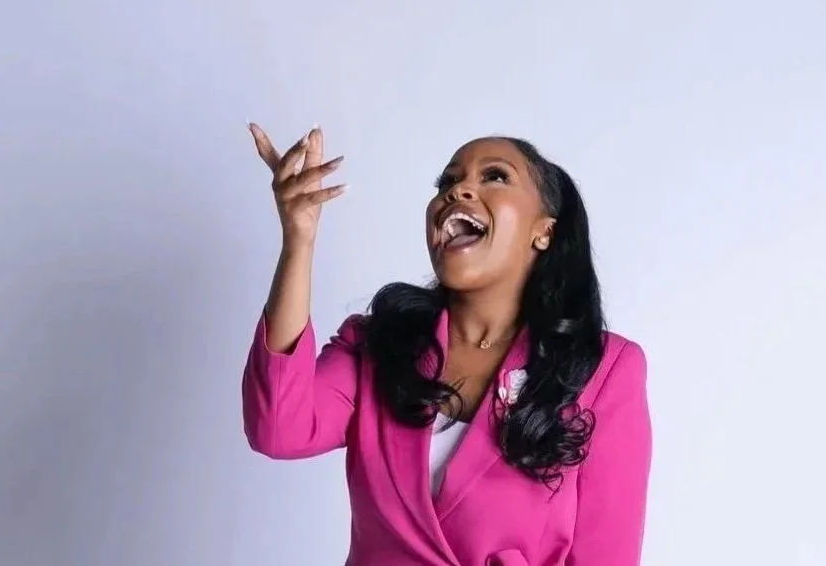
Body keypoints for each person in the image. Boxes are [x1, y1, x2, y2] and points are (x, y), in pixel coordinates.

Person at [242, 124, 651, 566]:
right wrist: (298, 241)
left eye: (494, 176)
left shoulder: (604, 369)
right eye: (448, 182)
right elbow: (278, 427)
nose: (458, 192)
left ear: (544, 231)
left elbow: (606, 555)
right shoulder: (378, 343)